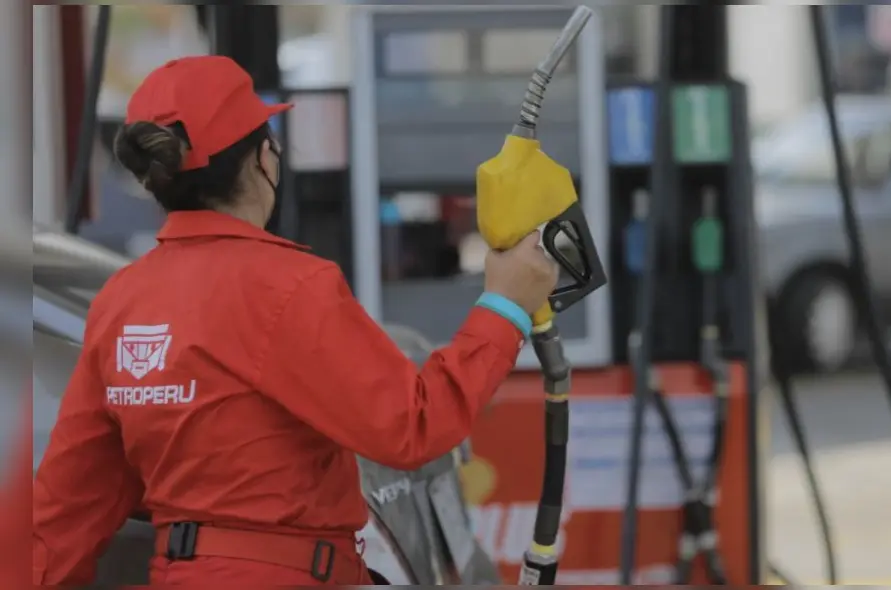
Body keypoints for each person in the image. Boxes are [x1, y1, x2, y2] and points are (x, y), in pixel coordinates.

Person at [32, 55, 559, 586]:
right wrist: (505, 306)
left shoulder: (119, 301)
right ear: (265, 158)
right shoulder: (290, 286)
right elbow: (414, 427)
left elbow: (64, 513)